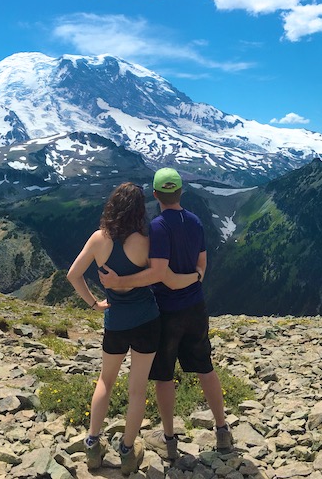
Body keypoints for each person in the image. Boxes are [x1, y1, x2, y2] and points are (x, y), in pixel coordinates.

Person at [66, 182, 202, 475]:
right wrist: (195, 276)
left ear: (112, 206)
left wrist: (94, 304)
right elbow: (160, 274)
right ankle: (128, 451)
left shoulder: (98, 239)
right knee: (137, 391)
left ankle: (92, 444)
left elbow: (73, 274)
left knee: (105, 382)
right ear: (140, 210)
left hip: (115, 322)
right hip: (146, 321)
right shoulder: (146, 239)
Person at [99, 168, 232, 460]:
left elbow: (161, 275)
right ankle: (222, 430)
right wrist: (195, 279)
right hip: (196, 307)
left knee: (164, 377)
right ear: (181, 192)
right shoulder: (196, 222)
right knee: (205, 367)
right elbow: (202, 266)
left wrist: (120, 283)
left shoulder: (157, 227)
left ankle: (169, 438)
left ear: (156, 195)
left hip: (166, 311)